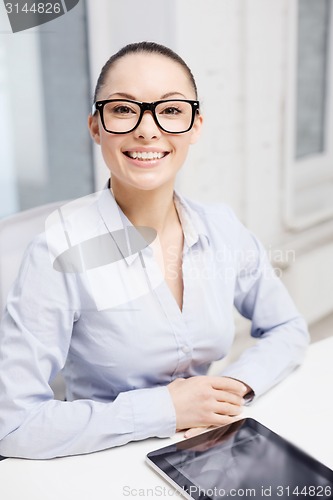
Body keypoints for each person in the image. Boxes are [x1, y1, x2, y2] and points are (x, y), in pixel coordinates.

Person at [0, 41, 309, 459]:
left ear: (195, 125)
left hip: (208, 446)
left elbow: (288, 328)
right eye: (124, 109)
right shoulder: (57, 252)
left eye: (171, 110)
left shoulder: (220, 227)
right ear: (96, 126)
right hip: (98, 460)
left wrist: (231, 389)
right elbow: (13, 425)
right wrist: (164, 409)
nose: (147, 129)